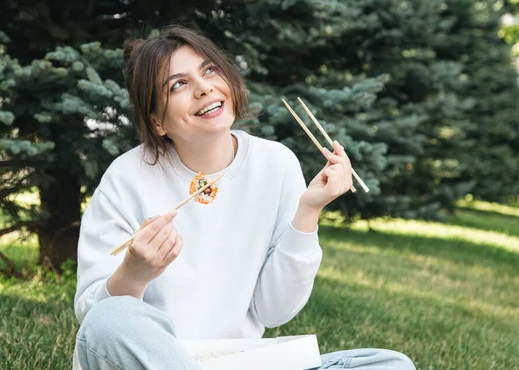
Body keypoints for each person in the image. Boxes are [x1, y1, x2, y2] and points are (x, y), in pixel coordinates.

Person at [72, 26, 415, 370]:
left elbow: (274, 311)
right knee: (112, 318)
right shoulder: (126, 177)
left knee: (391, 364)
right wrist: (134, 273)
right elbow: (95, 320)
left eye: (208, 70)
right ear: (157, 121)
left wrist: (309, 211)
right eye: (178, 84)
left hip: (238, 362)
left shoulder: (276, 163)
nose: (204, 87)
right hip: (154, 362)